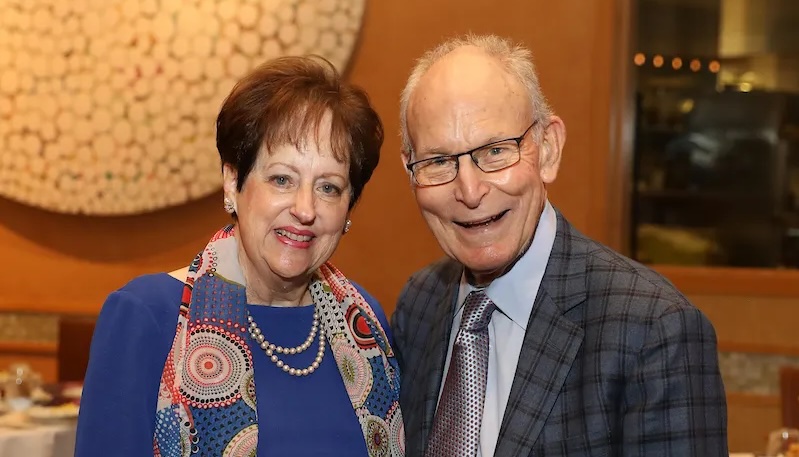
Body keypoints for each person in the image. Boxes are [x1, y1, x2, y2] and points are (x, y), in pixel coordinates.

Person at [391, 34, 727, 457]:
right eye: (439, 161)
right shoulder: (419, 306)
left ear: (548, 149)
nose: (470, 191)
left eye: (495, 151)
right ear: (410, 171)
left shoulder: (654, 329)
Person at [75, 56, 404, 457]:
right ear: (234, 182)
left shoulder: (365, 322)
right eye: (282, 179)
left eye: (329, 188)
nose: (305, 209)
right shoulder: (148, 316)